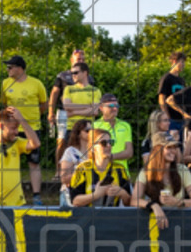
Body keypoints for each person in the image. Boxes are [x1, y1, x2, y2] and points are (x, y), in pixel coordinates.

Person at [1, 55, 48, 204]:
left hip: (31, 129)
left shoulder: (36, 83)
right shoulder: (5, 83)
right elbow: (4, 104)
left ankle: (36, 196)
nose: (7, 70)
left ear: (20, 68)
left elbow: (44, 105)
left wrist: (31, 118)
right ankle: (8, 193)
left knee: (33, 163)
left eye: (10, 67)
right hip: (11, 129)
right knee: (8, 162)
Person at [131, 134, 191, 229]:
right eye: (169, 147)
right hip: (153, 224)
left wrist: (177, 202)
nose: (173, 151)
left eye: (175, 147)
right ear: (157, 149)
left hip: (179, 222)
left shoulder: (182, 170)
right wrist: (154, 205)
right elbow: (134, 200)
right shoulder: (146, 172)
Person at [48, 48, 93, 178]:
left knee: (84, 141)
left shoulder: (88, 77)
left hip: (83, 114)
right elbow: (54, 94)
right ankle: (59, 171)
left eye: (83, 59)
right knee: (62, 141)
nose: (81, 60)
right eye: (79, 58)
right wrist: (51, 112)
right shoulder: (62, 75)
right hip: (64, 112)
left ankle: (81, 168)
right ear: (71, 60)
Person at [69, 128, 131, 208]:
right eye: (103, 143)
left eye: (111, 142)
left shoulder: (120, 169)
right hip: (88, 218)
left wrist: (122, 193)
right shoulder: (82, 169)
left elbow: (129, 202)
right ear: (92, 148)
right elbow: (75, 201)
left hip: (112, 218)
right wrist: (96, 195)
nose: (108, 146)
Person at [93, 93, 134, 173]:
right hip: (102, 173)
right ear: (101, 108)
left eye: (117, 106)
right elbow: (92, 152)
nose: (115, 108)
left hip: (123, 173)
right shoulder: (94, 126)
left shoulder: (125, 126)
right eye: (111, 106)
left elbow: (129, 152)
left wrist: (110, 156)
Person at [60, 119, 93, 205]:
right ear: (78, 133)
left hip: (89, 194)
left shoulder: (96, 151)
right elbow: (64, 178)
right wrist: (87, 175)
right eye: (87, 130)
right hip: (70, 194)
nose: (91, 132)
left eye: (92, 130)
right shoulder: (70, 152)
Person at [62, 61, 101, 131]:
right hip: (72, 128)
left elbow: (94, 111)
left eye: (75, 72)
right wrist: (88, 106)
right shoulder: (68, 89)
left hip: (88, 128)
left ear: (85, 73)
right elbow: (67, 106)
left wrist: (74, 112)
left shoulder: (95, 90)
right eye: (72, 73)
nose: (73, 75)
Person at [157, 51, 187, 136]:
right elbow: (161, 99)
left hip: (181, 119)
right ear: (174, 61)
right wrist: (167, 117)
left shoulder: (182, 80)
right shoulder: (166, 78)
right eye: (182, 62)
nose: (183, 64)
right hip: (171, 119)